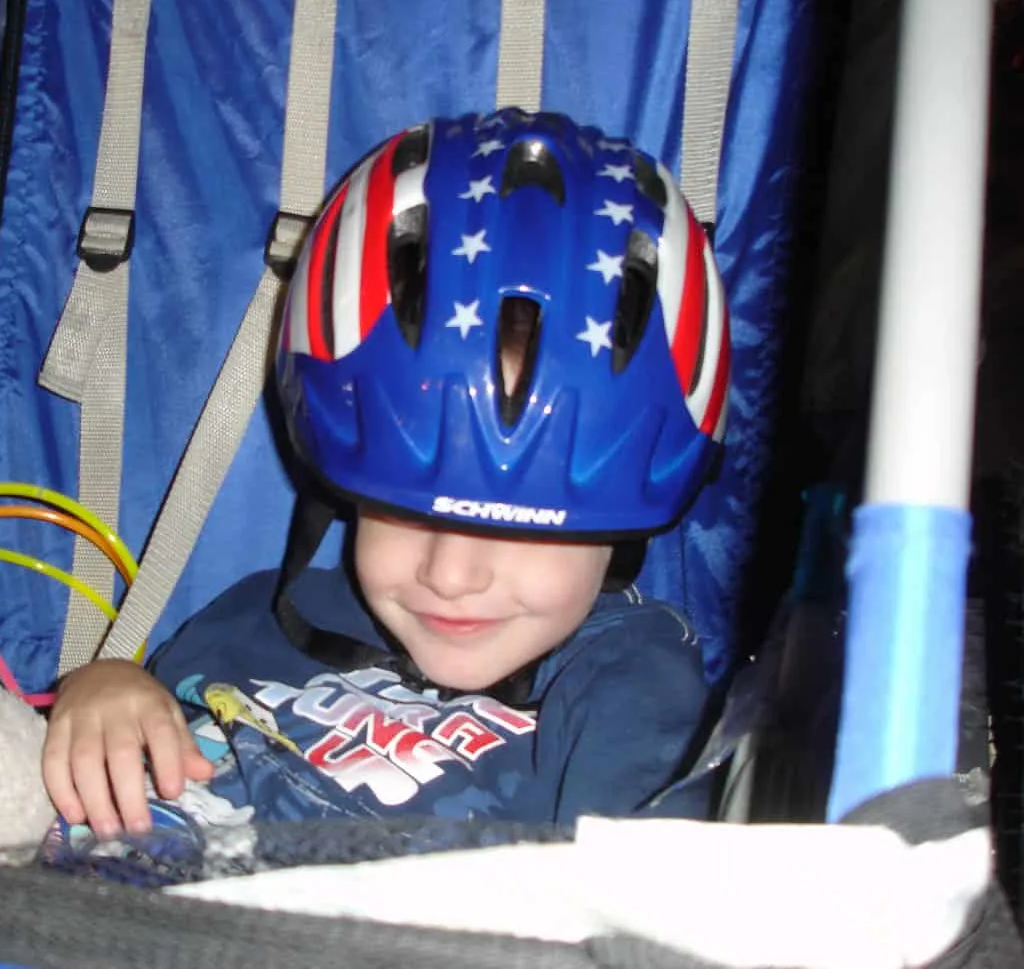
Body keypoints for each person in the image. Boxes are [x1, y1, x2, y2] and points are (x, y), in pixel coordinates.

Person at [42, 108, 731, 841]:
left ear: (624, 519)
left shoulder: (627, 680)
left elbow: (629, 907)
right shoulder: (258, 613)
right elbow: (138, 735)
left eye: (517, 526)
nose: (452, 574)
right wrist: (103, 688)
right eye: (409, 511)